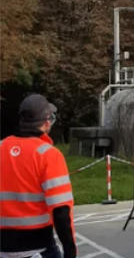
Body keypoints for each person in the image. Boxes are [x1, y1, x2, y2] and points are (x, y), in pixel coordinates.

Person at [0, 94, 77, 258]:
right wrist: (70, 252)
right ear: (47, 121)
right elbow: (61, 211)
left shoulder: (1, 148)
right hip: (38, 248)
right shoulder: (48, 155)